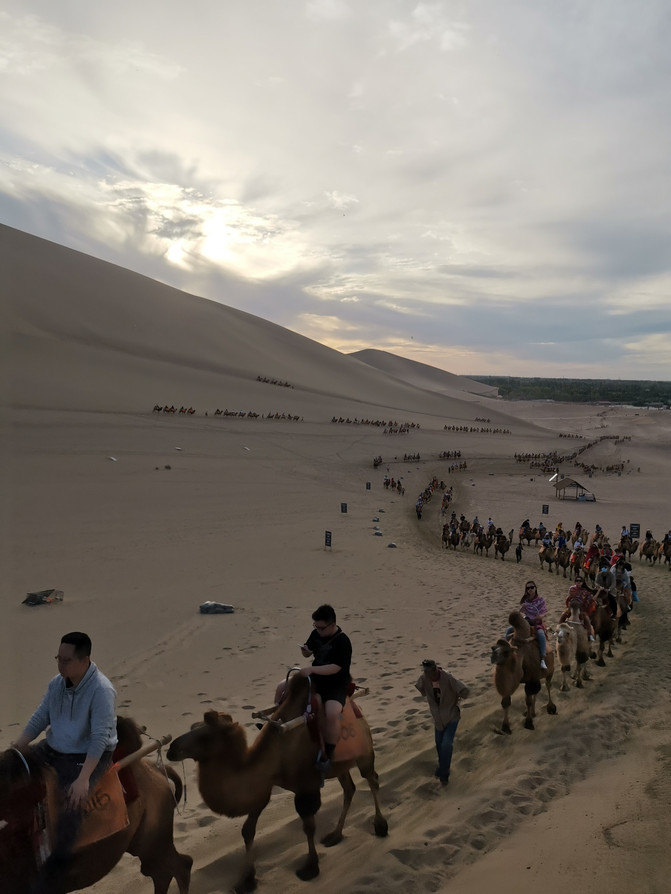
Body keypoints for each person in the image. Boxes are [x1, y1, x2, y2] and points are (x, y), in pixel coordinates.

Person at [12, 632, 117, 894]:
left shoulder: (102, 690)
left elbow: (99, 738)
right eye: (58, 658)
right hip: (54, 747)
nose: (60, 665)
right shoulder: (56, 684)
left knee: (71, 804)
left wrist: (83, 780)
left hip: (87, 756)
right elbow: (41, 716)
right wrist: (19, 746)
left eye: (66, 660)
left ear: (85, 660)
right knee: (8, 767)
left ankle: (57, 870)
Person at [299, 604, 352, 772]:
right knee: (285, 688)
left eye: (321, 627)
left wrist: (312, 669)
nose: (318, 630)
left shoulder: (343, 642)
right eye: (315, 626)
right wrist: (305, 651)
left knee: (331, 712)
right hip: (316, 680)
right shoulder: (316, 633)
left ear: (332, 624)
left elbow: (335, 667)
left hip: (336, 683)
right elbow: (308, 652)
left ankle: (329, 754)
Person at [415, 659, 469, 786]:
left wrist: (460, 694)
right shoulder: (423, 679)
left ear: (435, 669)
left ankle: (444, 774)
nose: (427, 674)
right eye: (425, 672)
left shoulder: (447, 677)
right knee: (439, 745)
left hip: (451, 716)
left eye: (429, 672)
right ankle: (442, 767)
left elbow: (463, 689)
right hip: (438, 719)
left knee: (446, 744)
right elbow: (421, 689)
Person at [518, 581, 549, 669]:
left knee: (541, 635)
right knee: (509, 630)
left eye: (532, 587)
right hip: (526, 622)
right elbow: (521, 612)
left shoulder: (541, 600)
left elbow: (544, 611)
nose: (530, 589)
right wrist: (522, 608)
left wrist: (541, 616)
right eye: (528, 588)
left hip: (536, 623)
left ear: (535, 588)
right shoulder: (525, 600)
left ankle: (542, 658)